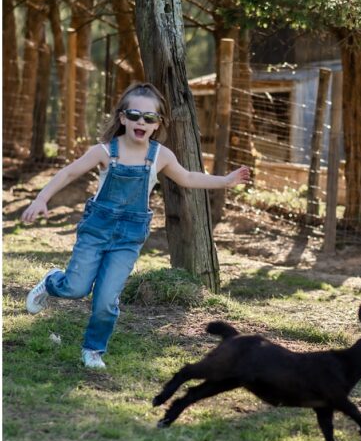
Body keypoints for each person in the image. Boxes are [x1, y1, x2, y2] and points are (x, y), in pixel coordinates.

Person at [23, 80, 250, 371]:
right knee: (76, 288)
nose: (140, 121)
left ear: (158, 124)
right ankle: (52, 282)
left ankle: (93, 349)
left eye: (149, 117)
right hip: (96, 231)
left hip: (128, 239)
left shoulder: (160, 156)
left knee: (106, 300)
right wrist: (41, 199)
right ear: (122, 118)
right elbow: (68, 173)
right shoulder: (105, 151)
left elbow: (189, 178)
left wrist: (226, 181)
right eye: (133, 115)